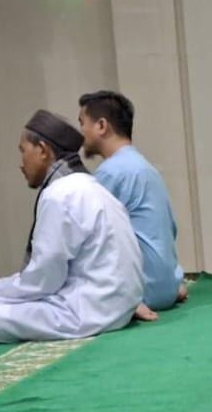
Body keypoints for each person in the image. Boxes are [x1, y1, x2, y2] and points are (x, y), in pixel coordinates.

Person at [0, 110, 143, 347]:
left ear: (43, 150)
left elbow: (42, 282)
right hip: (115, 308)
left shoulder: (59, 194)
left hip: (85, 314)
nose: (20, 164)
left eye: (23, 151)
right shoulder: (90, 187)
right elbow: (45, 274)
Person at [78, 91, 186, 322]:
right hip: (167, 286)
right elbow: (170, 228)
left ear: (101, 126)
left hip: (142, 293)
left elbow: (89, 241)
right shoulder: (147, 168)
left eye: (82, 123)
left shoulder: (111, 173)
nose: (81, 133)